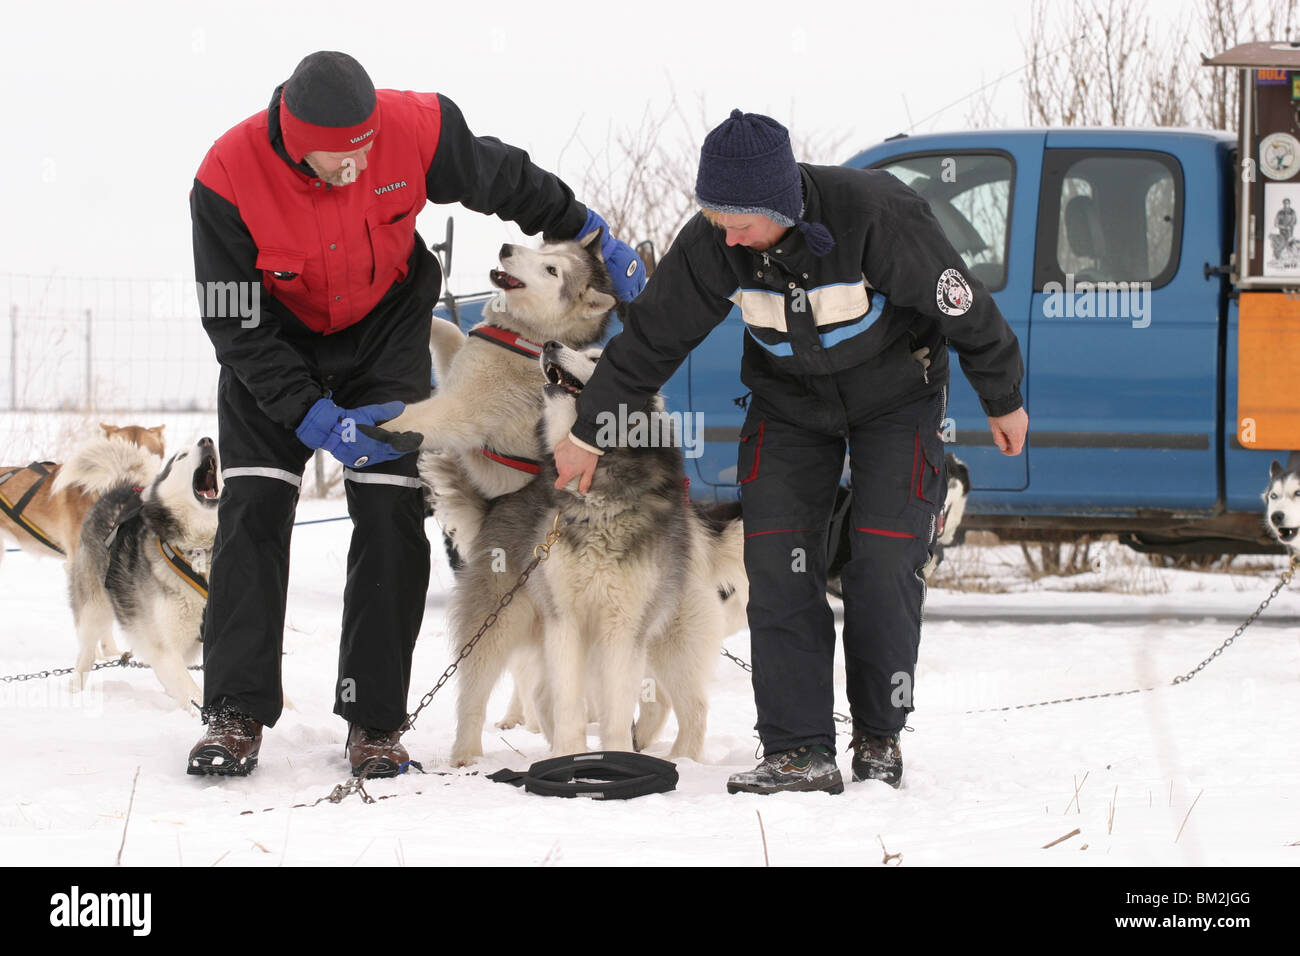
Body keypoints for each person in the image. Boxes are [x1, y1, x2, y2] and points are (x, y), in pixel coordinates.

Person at [188, 51, 644, 778]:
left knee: (392, 512)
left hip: (381, 335)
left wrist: (587, 229)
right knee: (254, 512)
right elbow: (234, 322)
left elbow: (505, 179)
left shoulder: (414, 128)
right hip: (273, 348)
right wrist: (306, 413)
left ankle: (374, 723)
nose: (359, 163)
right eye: (342, 156)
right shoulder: (226, 178)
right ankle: (234, 713)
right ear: (296, 140)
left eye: (367, 147)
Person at [553, 109, 1027, 794]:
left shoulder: (875, 216)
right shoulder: (716, 241)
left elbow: (964, 305)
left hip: (898, 399)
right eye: (716, 217)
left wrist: (1002, 395)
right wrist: (587, 432)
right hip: (789, 404)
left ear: (782, 203)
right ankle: (798, 748)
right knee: (776, 558)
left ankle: (878, 733)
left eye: (740, 221)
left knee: (885, 553)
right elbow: (652, 339)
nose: (727, 234)